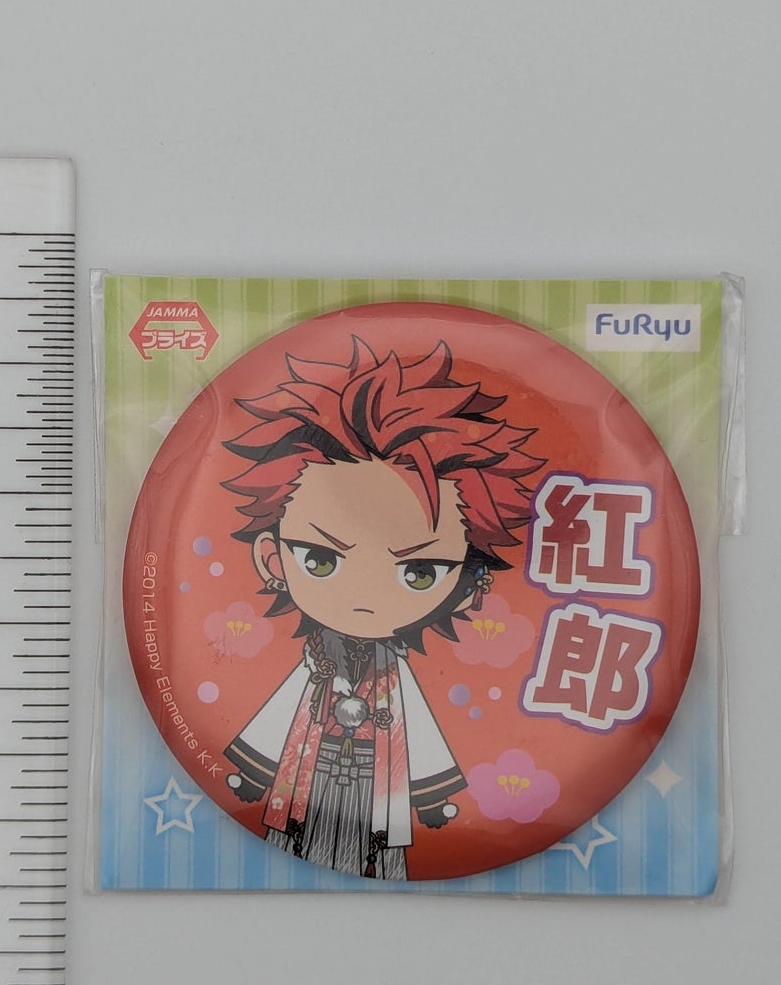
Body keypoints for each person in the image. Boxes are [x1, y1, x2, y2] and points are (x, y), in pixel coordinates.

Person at [220, 335, 541, 879]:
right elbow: (281, 713)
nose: (366, 596)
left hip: (377, 786)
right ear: (273, 558)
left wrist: (431, 797)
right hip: (310, 777)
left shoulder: (394, 675)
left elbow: (420, 728)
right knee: (299, 834)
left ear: (466, 583)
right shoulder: (316, 662)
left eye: (419, 573)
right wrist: (254, 775)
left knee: (376, 851)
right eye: (321, 559)